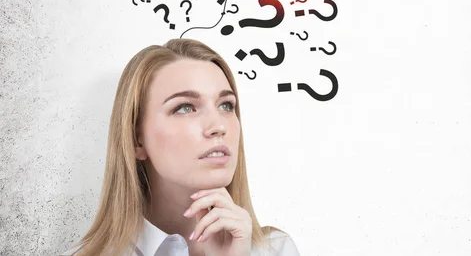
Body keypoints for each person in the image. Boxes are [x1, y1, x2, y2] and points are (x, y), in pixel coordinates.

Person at [62, 38, 300, 256]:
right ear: (136, 139)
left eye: (226, 105)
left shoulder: (275, 249)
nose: (218, 126)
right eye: (185, 107)